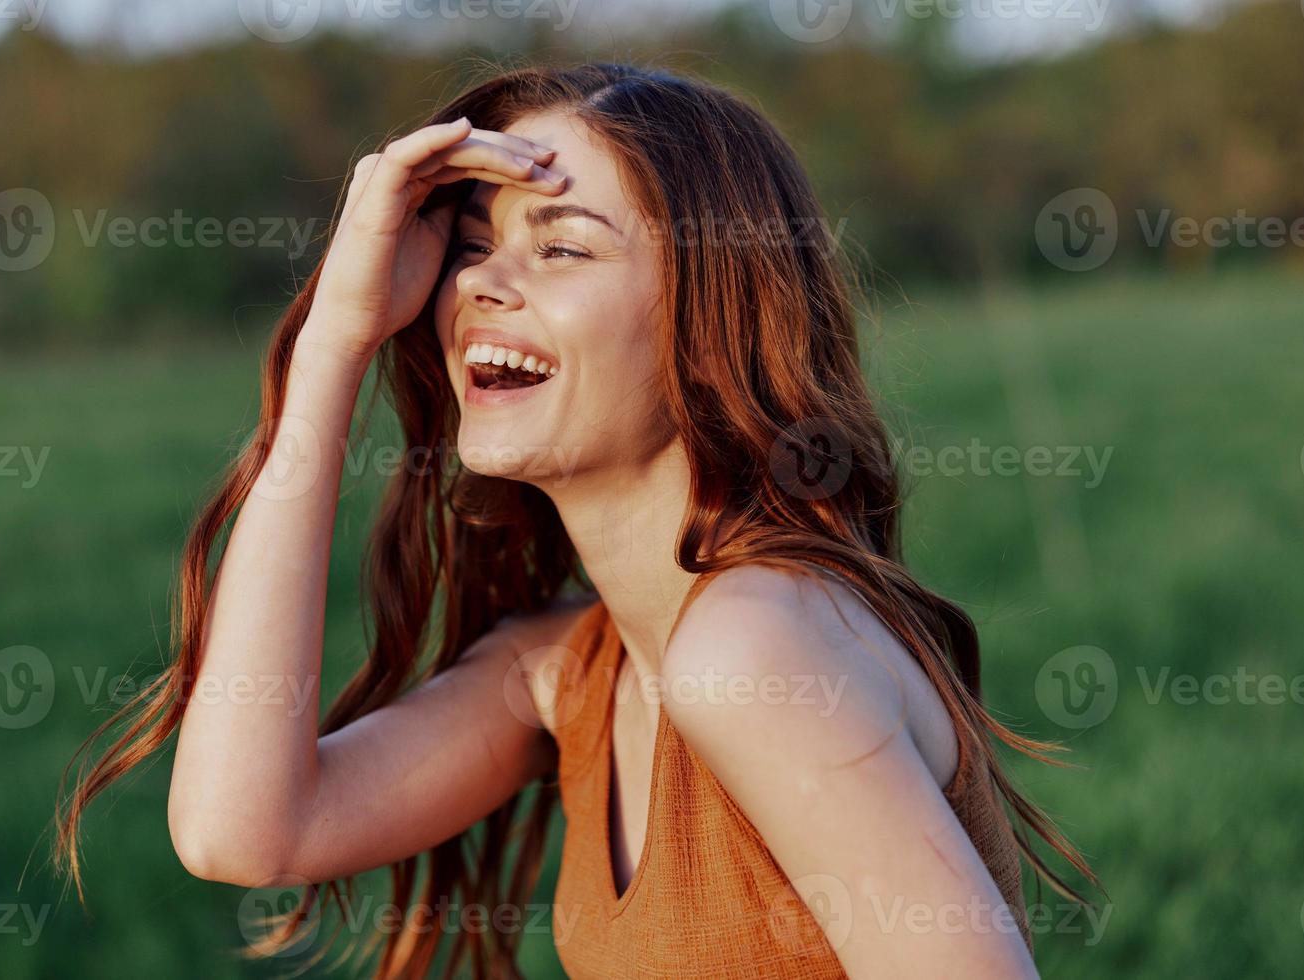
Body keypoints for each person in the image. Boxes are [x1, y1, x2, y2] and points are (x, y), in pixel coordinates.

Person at [54, 62, 1102, 979]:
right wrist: (334, 338)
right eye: (471, 245)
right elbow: (240, 828)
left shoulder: (754, 649)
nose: (481, 285)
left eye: (560, 249)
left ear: (711, 315)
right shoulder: (574, 670)